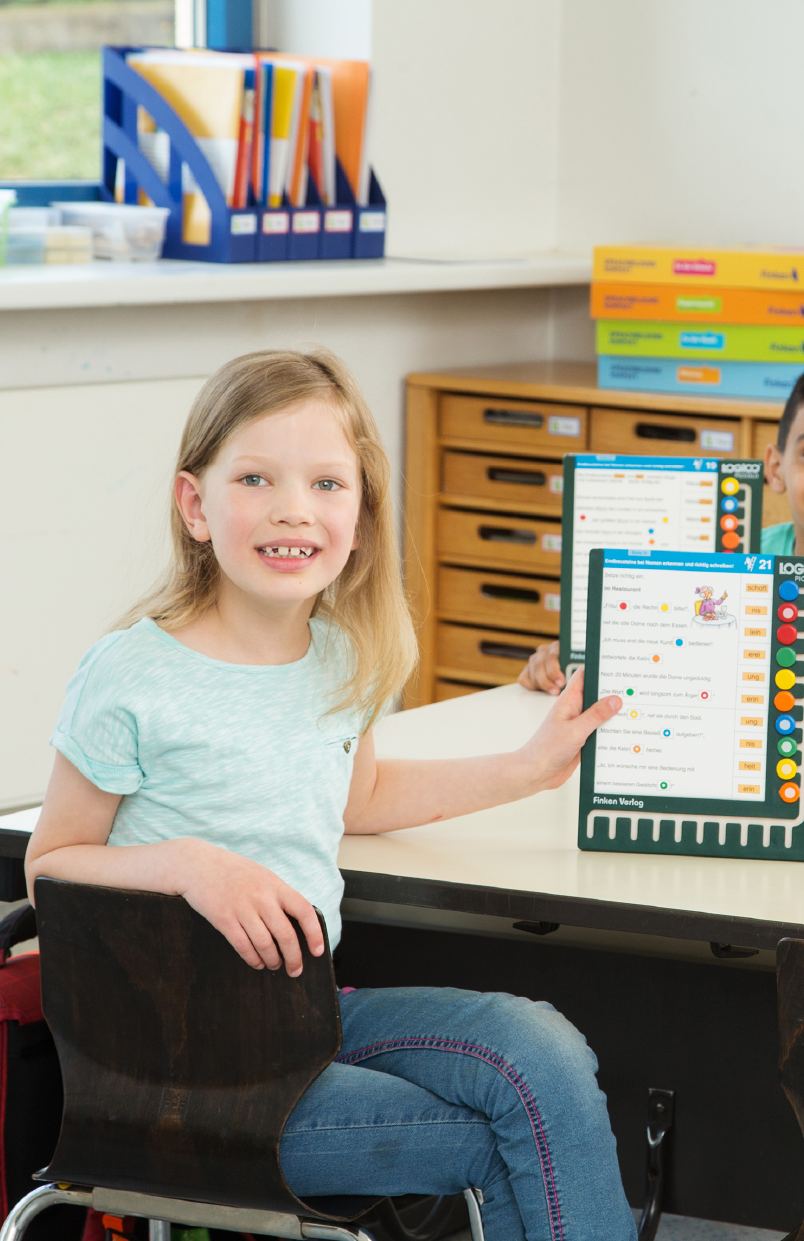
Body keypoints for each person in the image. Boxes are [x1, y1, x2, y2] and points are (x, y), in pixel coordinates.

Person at [26, 349, 632, 1241]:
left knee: (542, 1048)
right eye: (256, 478)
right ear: (195, 504)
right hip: (180, 1073)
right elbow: (50, 866)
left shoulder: (342, 655)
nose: (293, 509)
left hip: (309, 1014)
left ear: (360, 512)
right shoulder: (132, 672)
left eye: (325, 483)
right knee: (515, 1133)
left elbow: (360, 795)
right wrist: (193, 866)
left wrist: (525, 768)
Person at [521, 355, 804, 723]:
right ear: (776, 468)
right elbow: (659, 677)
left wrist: (800, 696)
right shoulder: (725, 565)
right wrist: (574, 664)